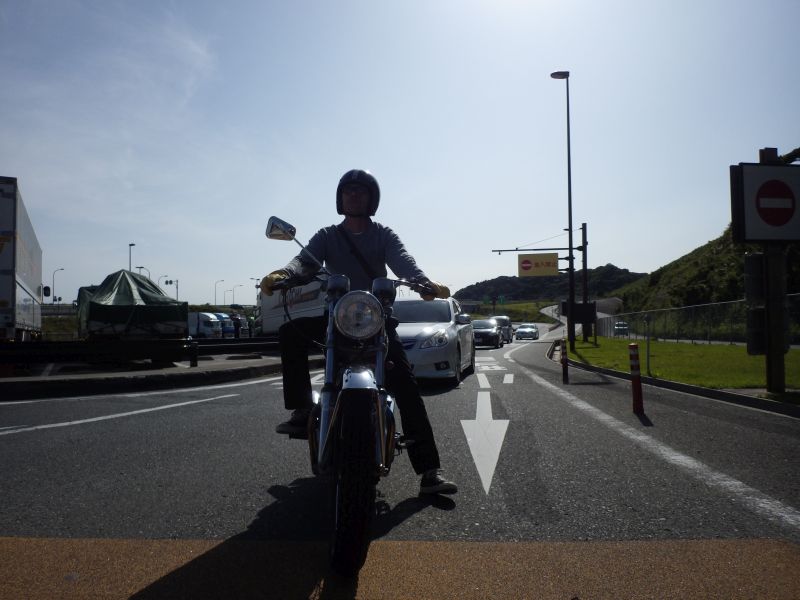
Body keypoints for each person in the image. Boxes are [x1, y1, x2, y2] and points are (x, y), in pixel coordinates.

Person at [260, 169, 457, 495]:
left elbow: (403, 262)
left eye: (360, 191)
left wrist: (424, 282)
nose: (353, 196)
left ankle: (429, 471)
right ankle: (302, 408)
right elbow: (305, 262)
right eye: (348, 191)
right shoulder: (327, 235)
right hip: (337, 319)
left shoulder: (383, 235)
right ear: (340, 198)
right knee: (290, 333)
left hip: (377, 321)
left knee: (406, 386)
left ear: (371, 199)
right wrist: (285, 273)